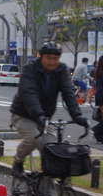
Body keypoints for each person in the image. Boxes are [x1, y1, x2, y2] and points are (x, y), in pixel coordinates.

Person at [10, 42, 89, 176]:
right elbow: (29, 93)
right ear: (40, 56)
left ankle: (49, 193)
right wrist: (38, 115)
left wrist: (77, 116)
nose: (52, 62)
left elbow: (68, 93)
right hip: (23, 115)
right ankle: (18, 162)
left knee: (52, 150)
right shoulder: (30, 68)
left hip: (45, 118)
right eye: (49, 58)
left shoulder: (61, 69)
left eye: (56, 59)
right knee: (34, 139)